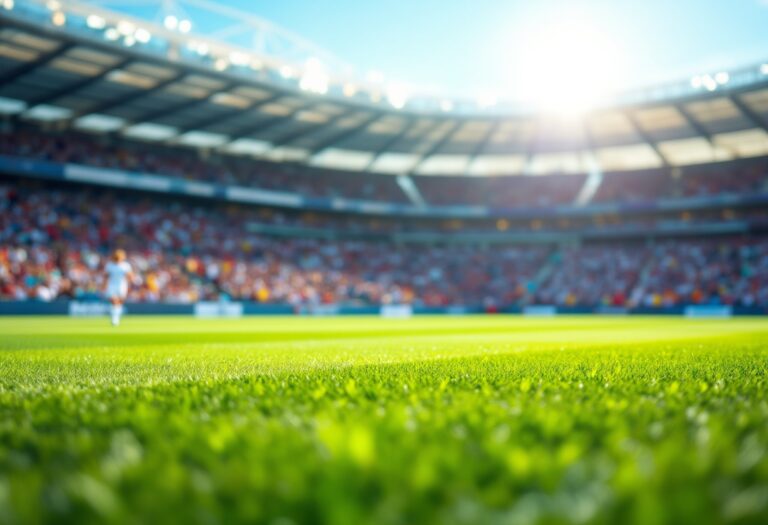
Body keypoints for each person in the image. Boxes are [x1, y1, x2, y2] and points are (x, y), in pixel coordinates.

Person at [105, 249, 134, 326]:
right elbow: (106, 276)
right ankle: (115, 319)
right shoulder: (110, 265)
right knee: (114, 301)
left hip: (122, 285)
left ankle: (116, 316)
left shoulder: (125, 265)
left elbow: (130, 276)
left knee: (119, 303)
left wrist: (130, 281)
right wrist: (104, 285)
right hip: (112, 285)